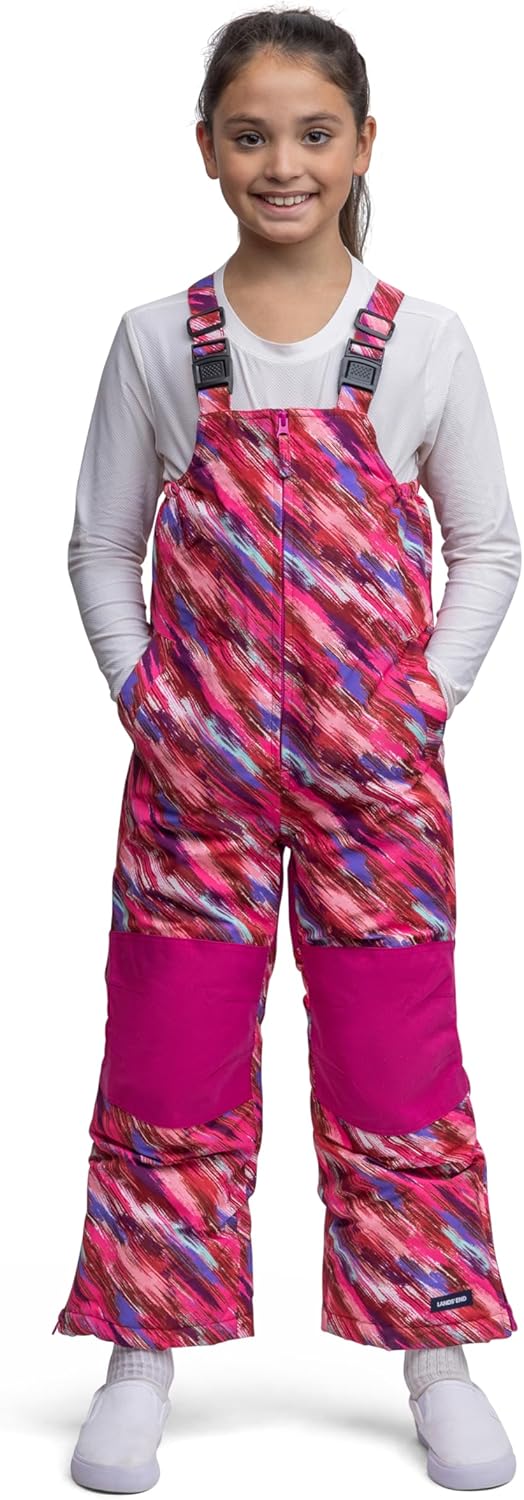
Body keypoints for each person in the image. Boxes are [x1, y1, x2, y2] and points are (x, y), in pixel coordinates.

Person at [53, 7, 520, 1493]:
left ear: (364, 145)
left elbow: (490, 544)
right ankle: (142, 1346)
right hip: (195, 780)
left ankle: (434, 1350)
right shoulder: (157, 340)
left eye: (315, 134)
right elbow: (100, 544)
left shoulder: (424, 341)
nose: (283, 163)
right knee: (170, 1046)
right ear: (206, 149)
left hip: (376, 783)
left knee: (393, 1053)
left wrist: (423, 703)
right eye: (250, 135)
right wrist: (147, 700)